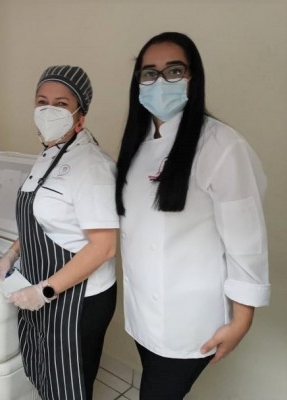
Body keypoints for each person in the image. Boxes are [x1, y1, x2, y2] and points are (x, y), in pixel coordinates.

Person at [115, 32, 270, 399]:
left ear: (192, 78)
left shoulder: (220, 145)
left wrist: (242, 319)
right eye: (149, 73)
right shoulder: (137, 144)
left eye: (173, 71)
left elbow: (246, 239)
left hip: (190, 318)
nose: (160, 81)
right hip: (144, 313)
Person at [0, 65, 119, 400]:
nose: (49, 110)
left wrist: (45, 292)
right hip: (41, 287)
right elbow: (42, 220)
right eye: (42, 101)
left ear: (80, 115)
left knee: (69, 386)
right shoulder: (47, 154)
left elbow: (104, 247)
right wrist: (12, 253)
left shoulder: (92, 166)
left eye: (61, 104)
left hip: (77, 300)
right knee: (45, 373)